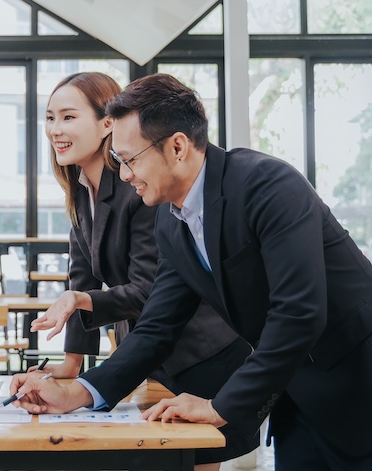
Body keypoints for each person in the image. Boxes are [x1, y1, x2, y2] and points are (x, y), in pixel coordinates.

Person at [10, 72, 372, 470]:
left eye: (130, 160)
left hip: (369, 380)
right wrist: (81, 392)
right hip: (299, 388)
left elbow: (299, 312)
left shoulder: (267, 186)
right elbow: (158, 326)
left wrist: (220, 405)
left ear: (177, 147)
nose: (124, 176)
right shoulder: (170, 218)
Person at [34, 72, 257, 469]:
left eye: (68, 117)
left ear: (107, 124)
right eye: (49, 118)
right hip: (148, 352)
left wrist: (82, 300)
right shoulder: (82, 186)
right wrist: (71, 361)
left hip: (201, 350)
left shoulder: (140, 184)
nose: (55, 129)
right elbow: (81, 275)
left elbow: (149, 289)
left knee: (197, 459)